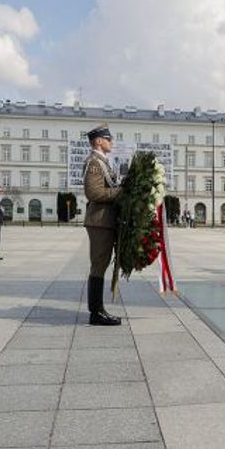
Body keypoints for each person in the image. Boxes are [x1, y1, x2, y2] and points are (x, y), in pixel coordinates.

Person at [82, 125, 122, 326]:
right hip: (99, 221)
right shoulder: (95, 163)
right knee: (99, 265)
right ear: (98, 141)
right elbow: (94, 193)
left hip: (104, 221)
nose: (111, 142)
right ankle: (96, 312)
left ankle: (98, 310)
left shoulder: (102, 162)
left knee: (101, 264)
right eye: (108, 138)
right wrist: (120, 192)